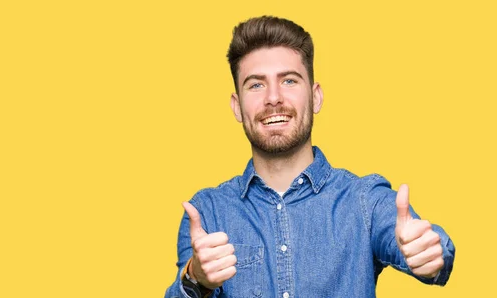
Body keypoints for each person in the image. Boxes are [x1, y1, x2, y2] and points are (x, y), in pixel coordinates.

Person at [165, 15, 455, 298]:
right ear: (237, 106)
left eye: (289, 81)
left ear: (315, 97)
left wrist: (429, 251)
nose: (274, 98)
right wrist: (195, 280)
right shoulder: (208, 211)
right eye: (256, 84)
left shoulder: (364, 200)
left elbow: (423, 244)